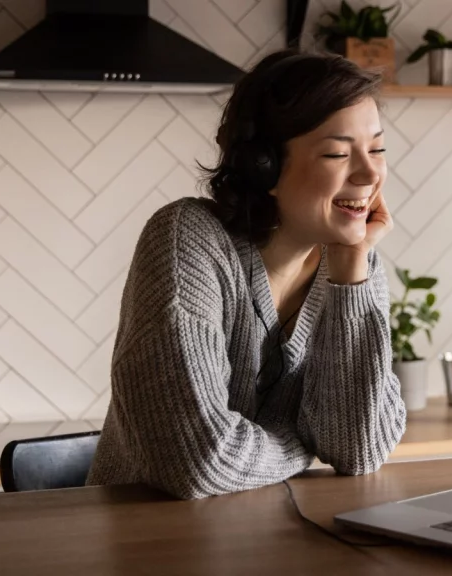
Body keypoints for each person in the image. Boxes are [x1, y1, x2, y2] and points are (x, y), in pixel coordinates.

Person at [85, 49, 407, 499]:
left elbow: (358, 450)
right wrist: (301, 444)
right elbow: (198, 460)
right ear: (264, 166)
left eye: (377, 148)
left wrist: (352, 276)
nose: (370, 173)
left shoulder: (356, 267)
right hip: (147, 544)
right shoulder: (187, 239)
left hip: (271, 542)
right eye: (337, 153)